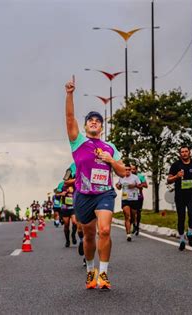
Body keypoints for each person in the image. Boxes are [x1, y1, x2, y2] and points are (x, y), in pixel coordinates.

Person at [65, 75, 126, 290]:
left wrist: (111, 160)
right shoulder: (78, 142)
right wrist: (70, 94)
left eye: (98, 120)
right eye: (90, 120)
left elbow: (123, 171)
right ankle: (91, 270)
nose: (94, 122)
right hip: (83, 195)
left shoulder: (110, 147)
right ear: (85, 125)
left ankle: (104, 273)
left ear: (102, 127)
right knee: (89, 237)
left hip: (104, 194)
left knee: (105, 230)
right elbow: (70, 117)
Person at [167, 146, 192, 251]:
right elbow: (169, 180)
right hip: (180, 195)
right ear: (180, 154)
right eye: (182, 152)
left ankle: (189, 233)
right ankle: (181, 240)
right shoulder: (176, 165)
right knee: (181, 217)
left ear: (189, 153)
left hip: (191, 195)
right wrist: (177, 176)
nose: (184, 153)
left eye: (186, 151)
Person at [116, 164, 141, 241]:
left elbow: (140, 186)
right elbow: (119, 186)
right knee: (127, 216)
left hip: (134, 199)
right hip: (125, 199)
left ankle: (133, 224)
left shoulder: (135, 177)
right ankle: (128, 234)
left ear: (130, 170)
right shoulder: (121, 177)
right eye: (125, 170)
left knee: (133, 218)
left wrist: (135, 185)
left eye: (128, 170)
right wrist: (117, 186)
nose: (127, 171)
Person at [131, 164, 148, 235]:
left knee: (138, 212)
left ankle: (137, 226)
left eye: (134, 169)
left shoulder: (140, 176)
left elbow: (146, 185)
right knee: (132, 212)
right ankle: (134, 225)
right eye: (131, 169)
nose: (132, 171)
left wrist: (139, 185)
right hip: (131, 197)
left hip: (139, 196)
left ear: (136, 169)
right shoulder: (128, 176)